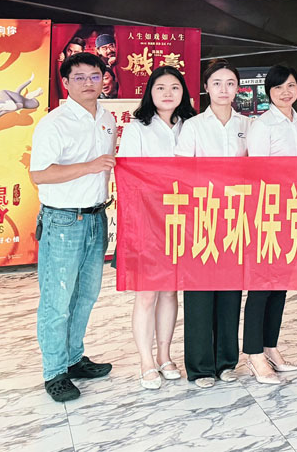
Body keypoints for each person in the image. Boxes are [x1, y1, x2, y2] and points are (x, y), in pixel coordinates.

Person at [29, 52, 117, 402]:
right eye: (79, 77)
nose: (88, 83)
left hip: (96, 217)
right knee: (57, 299)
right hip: (63, 220)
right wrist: (89, 166)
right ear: (65, 83)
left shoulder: (107, 118)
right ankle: (54, 372)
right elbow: (39, 174)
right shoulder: (54, 123)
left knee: (86, 295)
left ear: (104, 79)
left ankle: (73, 358)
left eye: (94, 76)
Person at [118, 65, 196, 390]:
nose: (168, 93)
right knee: (147, 293)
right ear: (150, 91)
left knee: (170, 290)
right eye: (160, 87)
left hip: (182, 219)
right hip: (147, 220)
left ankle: (165, 355)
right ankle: (146, 360)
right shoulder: (137, 128)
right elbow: (129, 175)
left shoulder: (191, 125)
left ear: (183, 93)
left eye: (175, 87)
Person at [174, 59, 250, 388]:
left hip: (236, 216)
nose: (223, 89)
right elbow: (181, 171)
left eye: (230, 83)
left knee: (231, 291)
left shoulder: (248, 125)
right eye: (217, 83)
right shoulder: (193, 126)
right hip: (201, 216)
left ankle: (226, 361)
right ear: (206, 87)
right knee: (200, 293)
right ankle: (200, 367)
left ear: (237, 88)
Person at [242, 65, 297, 384]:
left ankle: (271, 347)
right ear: (269, 92)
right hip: (267, 212)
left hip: (293, 210)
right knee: (260, 285)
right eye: (278, 87)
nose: (285, 92)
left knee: (280, 284)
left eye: (290, 85)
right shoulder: (262, 125)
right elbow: (256, 174)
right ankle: (254, 355)